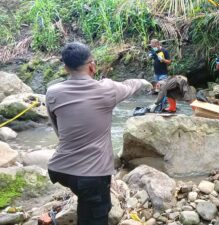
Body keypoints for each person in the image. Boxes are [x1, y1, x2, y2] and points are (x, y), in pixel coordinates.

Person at [46, 42, 152, 225]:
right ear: (92, 65)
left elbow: (58, 130)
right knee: (96, 213)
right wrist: (144, 82)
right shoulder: (107, 89)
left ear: (65, 67)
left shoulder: (52, 92)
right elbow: (130, 85)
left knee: (86, 199)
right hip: (92, 175)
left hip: (59, 168)